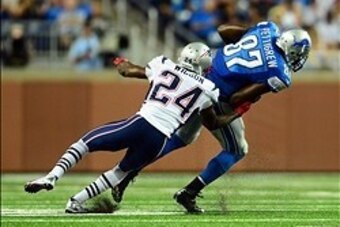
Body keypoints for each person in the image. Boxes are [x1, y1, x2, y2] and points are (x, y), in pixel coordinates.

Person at [111, 21, 312, 213]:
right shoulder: (280, 72)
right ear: (293, 50)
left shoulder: (267, 29)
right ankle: (190, 192)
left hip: (201, 75)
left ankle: (128, 173)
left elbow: (223, 30)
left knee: (181, 137)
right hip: (216, 94)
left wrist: (248, 38)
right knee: (237, 150)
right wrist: (242, 107)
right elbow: (236, 98)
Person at [24, 42, 248, 213]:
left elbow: (128, 71)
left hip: (139, 123)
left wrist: (120, 62)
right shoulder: (207, 88)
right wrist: (236, 113)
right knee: (121, 171)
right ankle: (76, 202)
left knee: (85, 143)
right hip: (159, 139)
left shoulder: (163, 65)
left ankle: (52, 177)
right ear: (205, 64)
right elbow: (213, 123)